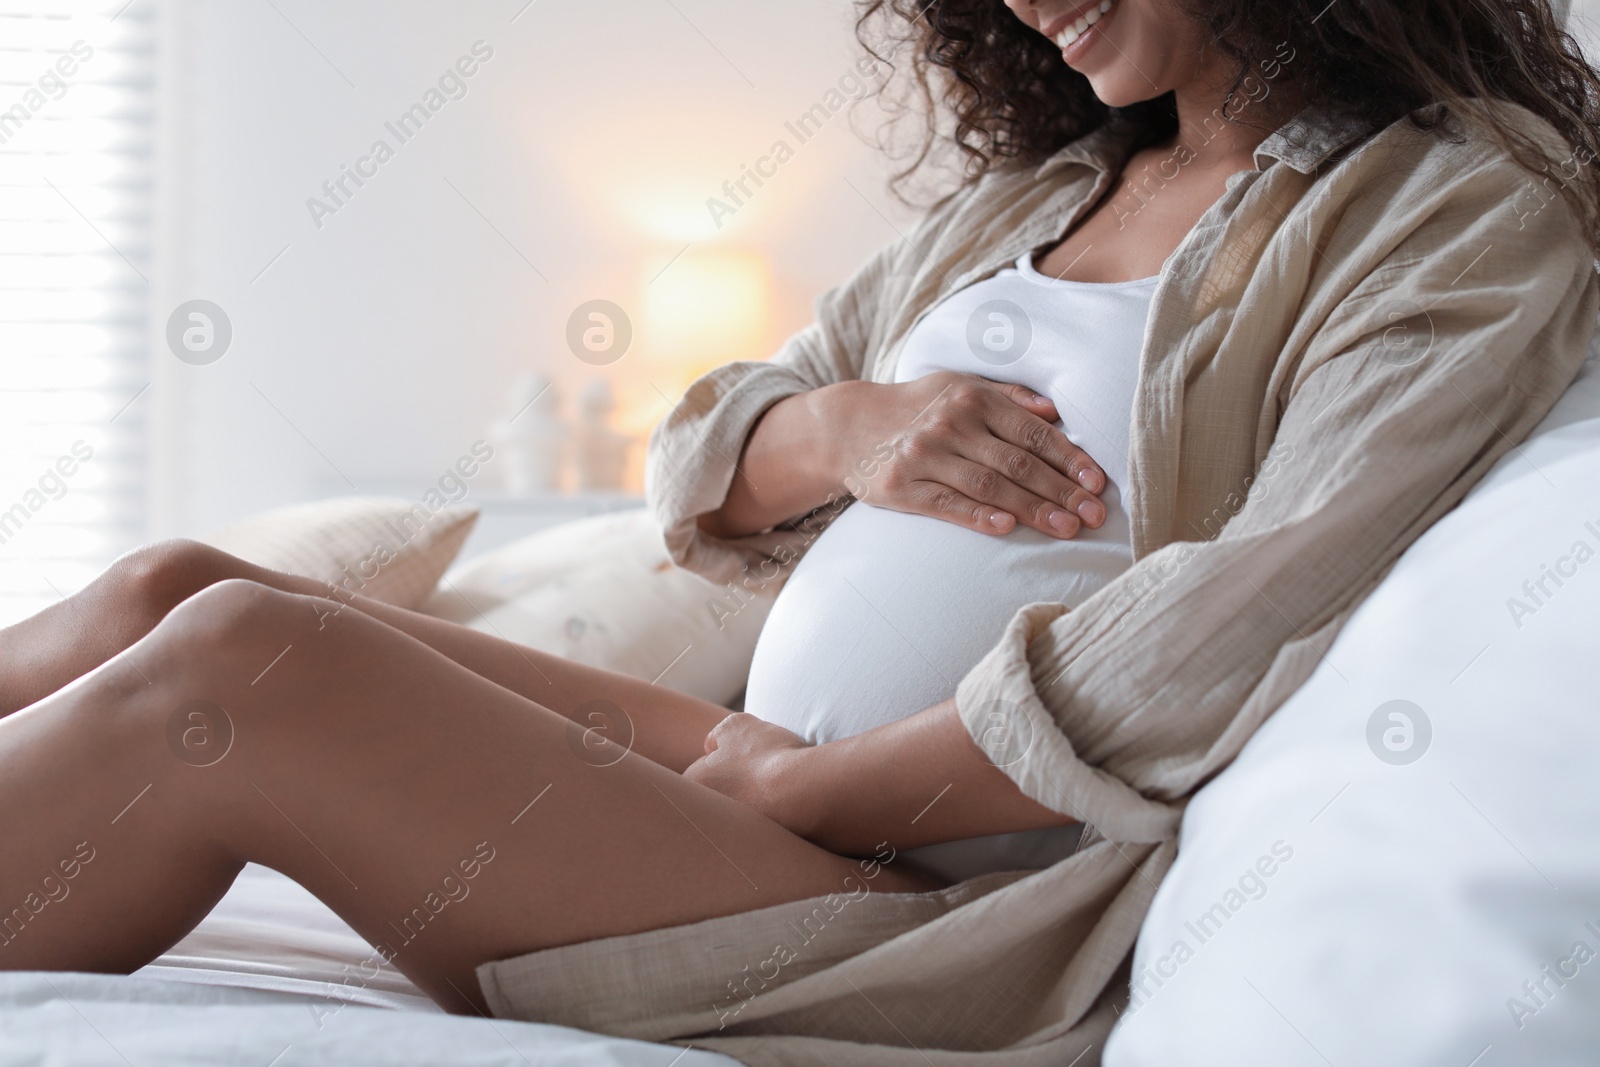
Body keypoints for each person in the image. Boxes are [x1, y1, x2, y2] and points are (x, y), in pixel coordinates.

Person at [1, 0, 1596, 1060]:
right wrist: (845, 429)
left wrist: (824, 786)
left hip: (934, 898)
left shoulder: (1454, 207)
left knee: (243, 669)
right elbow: (700, 447)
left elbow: (1235, 614)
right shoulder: (1041, 197)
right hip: (770, 786)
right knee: (176, 580)